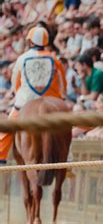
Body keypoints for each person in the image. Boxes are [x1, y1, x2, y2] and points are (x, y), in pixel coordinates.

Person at [0, 26, 67, 163]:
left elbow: (16, 82)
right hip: (52, 99)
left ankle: (1, 156)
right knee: (67, 128)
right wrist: (61, 97)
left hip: (26, 100)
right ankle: (68, 159)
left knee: (7, 127)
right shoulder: (54, 58)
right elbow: (62, 81)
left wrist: (19, 94)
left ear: (30, 42)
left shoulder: (22, 58)